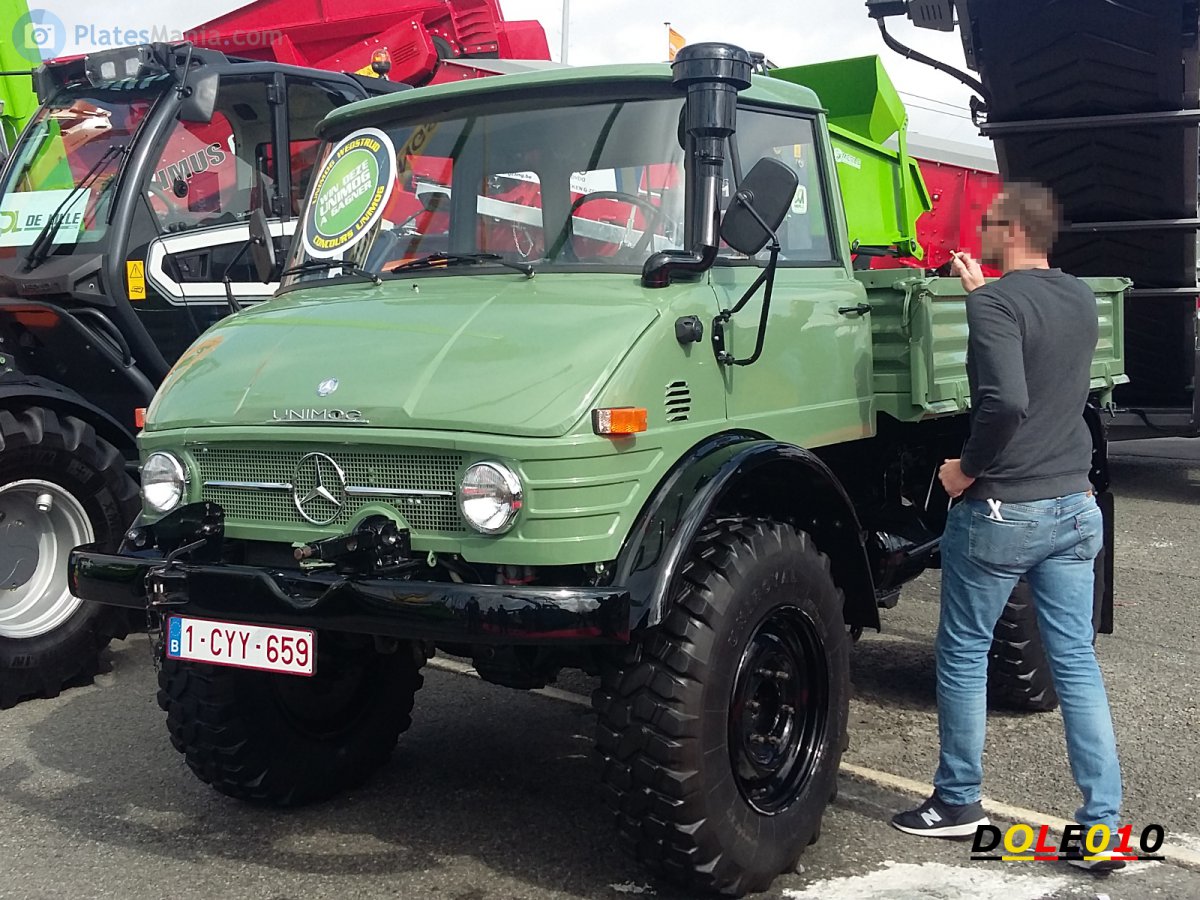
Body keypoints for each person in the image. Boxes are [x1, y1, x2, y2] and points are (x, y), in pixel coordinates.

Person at [889, 182, 1124, 872]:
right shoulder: (1079, 298)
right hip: (1072, 505)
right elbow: (1049, 368)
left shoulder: (994, 305)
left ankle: (958, 801)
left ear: (1014, 230)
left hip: (1002, 509)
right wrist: (978, 295)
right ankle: (1102, 826)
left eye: (990, 223)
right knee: (1076, 664)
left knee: (963, 652)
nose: (981, 232)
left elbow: (1007, 401)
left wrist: (963, 469)